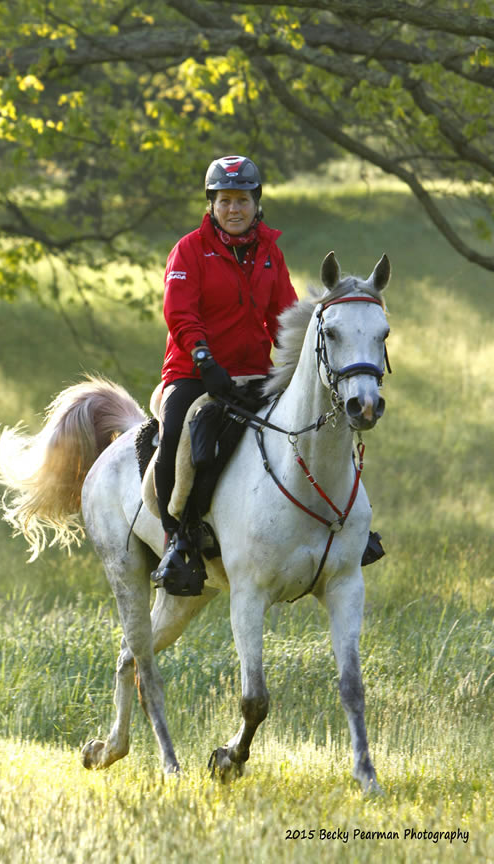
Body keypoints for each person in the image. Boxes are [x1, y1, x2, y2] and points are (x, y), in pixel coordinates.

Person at [151, 155, 298, 589]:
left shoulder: (270, 252)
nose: (234, 209)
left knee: (315, 420)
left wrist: (297, 360)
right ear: (212, 205)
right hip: (195, 371)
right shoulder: (189, 250)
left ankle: (340, 525)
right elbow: (180, 314)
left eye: (242, 200)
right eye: (225, 200)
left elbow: (285, 315)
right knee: (175, 433)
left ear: (257, 203)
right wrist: (204, 359)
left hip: (255, 372)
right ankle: (177, 538)